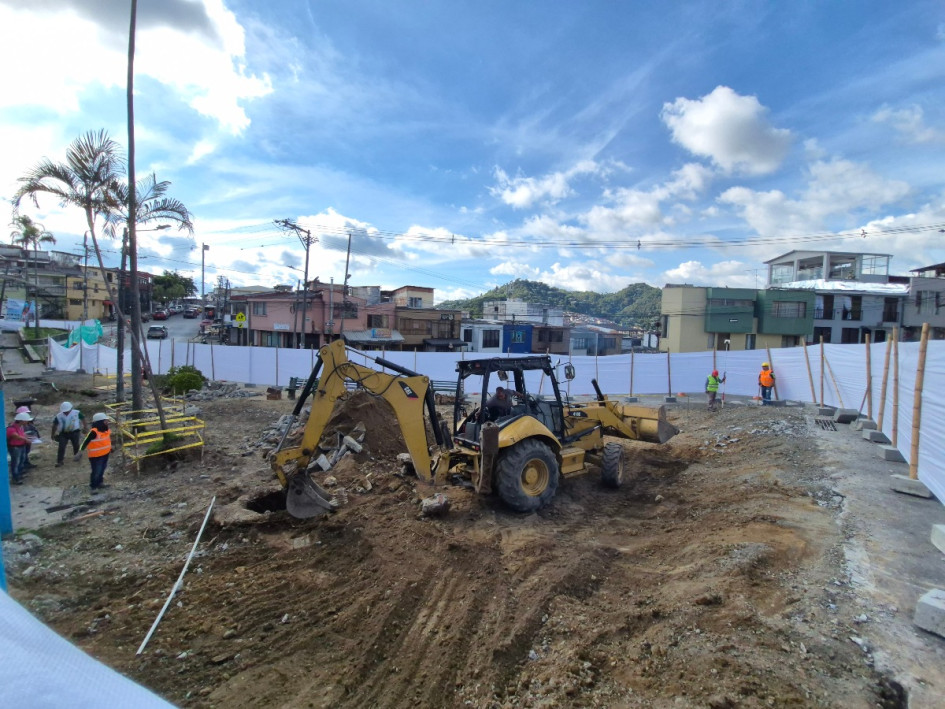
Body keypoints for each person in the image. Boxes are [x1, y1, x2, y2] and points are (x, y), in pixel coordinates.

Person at [75, 412, 113, 491]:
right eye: (105, 421)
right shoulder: (93, 432)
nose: (107, 422)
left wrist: (110, 448)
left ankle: (100, 483)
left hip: (105, 454)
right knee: (96, 471)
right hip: (96, 456)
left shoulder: (106, 430)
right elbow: (85, 442)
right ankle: (93, 486)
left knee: (102, 469)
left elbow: (106, 441)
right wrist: (80, 451)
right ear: (100, 422)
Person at [51, 401, 86, 467]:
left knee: (76, 445)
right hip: (63, 433)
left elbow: (83, 418)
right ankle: (59, 461)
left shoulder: (77, 413)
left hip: (75, 431)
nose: (66, 412)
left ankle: (77, 457)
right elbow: (54, 425)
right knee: (61, 447)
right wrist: (52, 434)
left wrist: (85, 427)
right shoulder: (59, 416)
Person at [7, 411, 33, 485]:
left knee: (21, 461)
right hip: (15, 448)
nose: (27, 422)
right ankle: (15, 478)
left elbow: (22, 435)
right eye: (26, 420)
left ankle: (19, 474)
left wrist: (29, 437)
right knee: (16, 463)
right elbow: (16, 436)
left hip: (21, 446)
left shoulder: (20, 427)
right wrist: (26, 439)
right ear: (22, 421)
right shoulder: (11, 429)